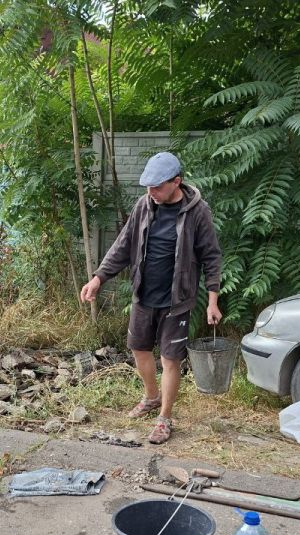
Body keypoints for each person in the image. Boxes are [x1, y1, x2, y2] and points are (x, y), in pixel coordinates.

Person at [79, 152, 222, 444]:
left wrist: (212, 300)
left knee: (170, 359)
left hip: (177, 300)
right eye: (148, 186)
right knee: (139, 349)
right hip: (144, 295)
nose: (151, 192)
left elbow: (211, 256)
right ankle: (151, 397)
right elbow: (122, 246)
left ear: (176, 182)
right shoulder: (145, 206)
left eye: (157, 186)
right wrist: (98, 278)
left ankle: (165, 418)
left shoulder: (197, 211)